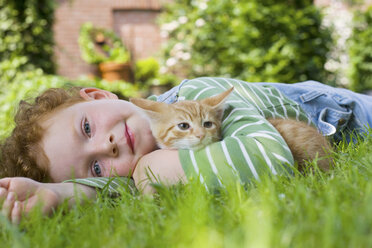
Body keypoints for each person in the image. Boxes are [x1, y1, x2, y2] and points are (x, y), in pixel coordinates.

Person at [0, 77, 371, 224]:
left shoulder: (197, 97)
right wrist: (61, 194)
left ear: (98, 96)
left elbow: (271, 159)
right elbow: (123, 190)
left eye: (86, 128)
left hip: (344, 109)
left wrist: (150, 170)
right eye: (94, 168)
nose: (105, 146)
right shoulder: (136, 161)